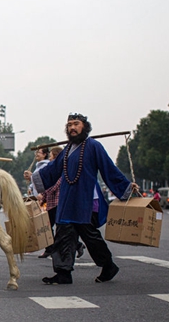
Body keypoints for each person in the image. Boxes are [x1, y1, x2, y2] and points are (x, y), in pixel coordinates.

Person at [26, 113, 138, 285]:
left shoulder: (93, 146)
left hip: (86, 201)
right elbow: (53, 170)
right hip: (67, 201)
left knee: (91, 237)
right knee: (63, 236)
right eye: (69, 125)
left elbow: (108, 168)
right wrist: (35, 178)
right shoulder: (68, 149)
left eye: (76, 124)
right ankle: (63, 273)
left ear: (84, 127)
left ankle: (108, 265)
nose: (72, 128)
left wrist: (126, 187)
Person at [35, 146, 85, 259]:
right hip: (51, 202)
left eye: (52, 156)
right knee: (50, 227)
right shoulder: (52, 168)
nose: (50, 158)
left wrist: (42, 194)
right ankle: (54, 248)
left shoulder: (61, 170)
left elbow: (54, 186)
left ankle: (60, 249)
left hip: (57, 202)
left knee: (52, 227)